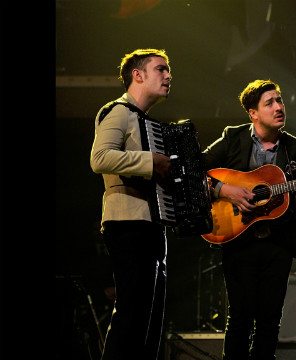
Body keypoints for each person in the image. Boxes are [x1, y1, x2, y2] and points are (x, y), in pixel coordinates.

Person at [202, 79, 296, 360]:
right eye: (270, 103)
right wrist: (224, 190)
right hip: (237, 240)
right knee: (239, 318)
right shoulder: (233, 137)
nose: (279, 107)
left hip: (278, 245)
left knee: (269, 322)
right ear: (253, 113)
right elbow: (197, 171)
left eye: (280, 101)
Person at [89, 48, 173, 360]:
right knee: (131, 318)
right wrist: (151, 161)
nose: (168, 76)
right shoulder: (118, 112)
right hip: (127, 224)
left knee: (149, 326)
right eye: (160, 69)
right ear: (137, 75)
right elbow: (99, 158)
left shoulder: (147, 122)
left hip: (152, 227)